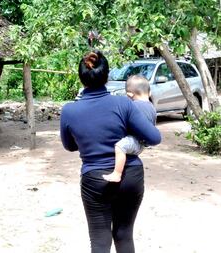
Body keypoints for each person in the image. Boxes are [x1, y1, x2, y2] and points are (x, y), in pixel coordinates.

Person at [60, 51, 161, 253]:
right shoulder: (123, 104)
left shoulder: (69, 111)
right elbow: (154, 138)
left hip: (94, 180)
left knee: (100, 241)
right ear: (107, 77)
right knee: (124, 236)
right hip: (130, 176)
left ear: (81, 78)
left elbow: (70, 146)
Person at [103, 75, 157, 182]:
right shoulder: (151, 106)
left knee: (120, 147)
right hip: (143, 141)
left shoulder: (134, 106)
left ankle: (117, 173)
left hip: (135, 141)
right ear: (149, 93)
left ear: (129, 94)